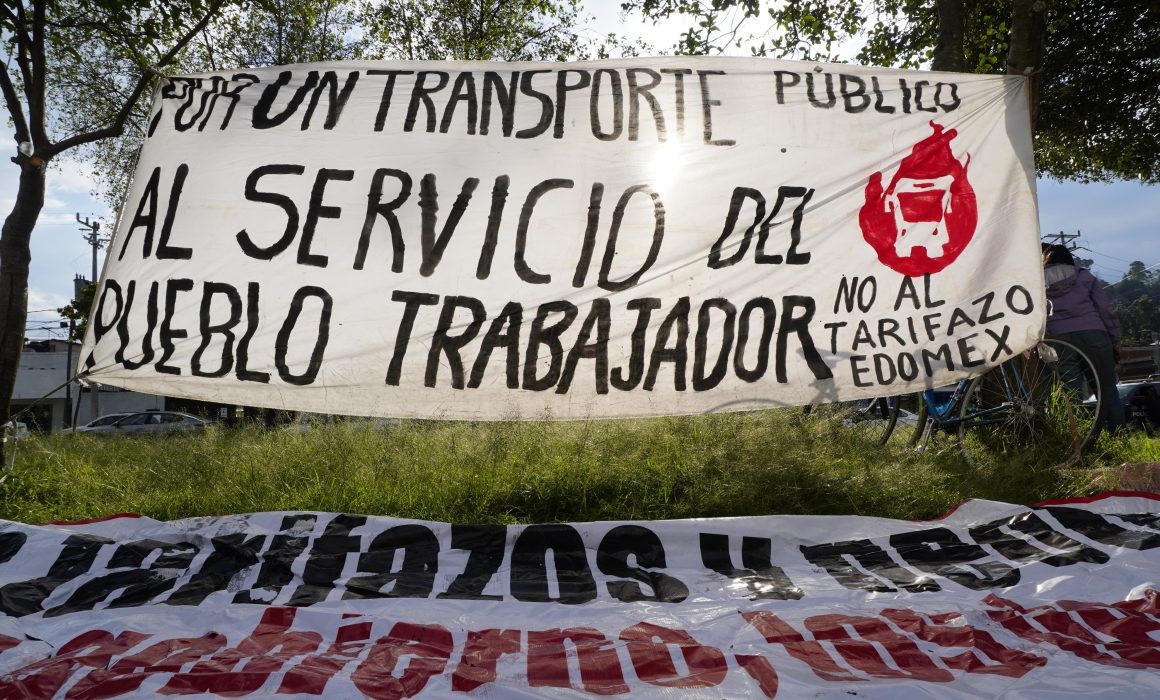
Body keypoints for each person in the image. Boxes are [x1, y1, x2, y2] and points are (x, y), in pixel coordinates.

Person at [1041, 243, 1125, 432]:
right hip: (1094, 334)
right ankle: (1118, 437)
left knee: (1069, 394)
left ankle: (1075, 441)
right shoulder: (1084, 276)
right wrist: (1114, 339)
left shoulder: (1038, 282)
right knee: (1107, 392)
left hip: (1059, 340)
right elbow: (1105, 310)